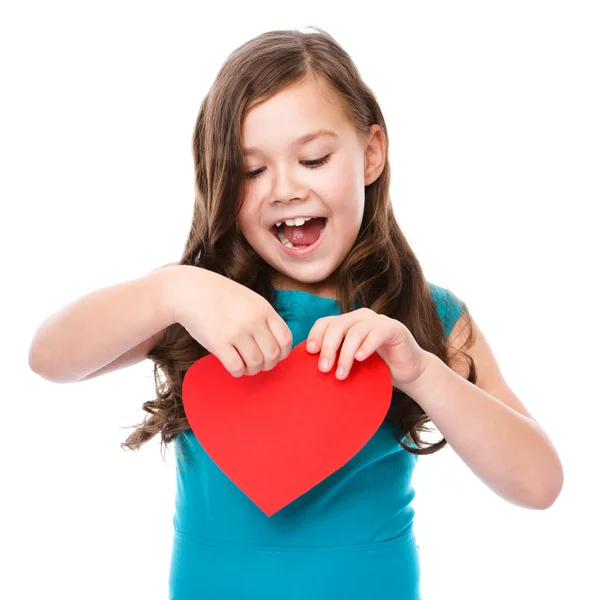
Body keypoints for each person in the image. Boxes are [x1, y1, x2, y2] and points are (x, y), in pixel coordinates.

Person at [28, 26, 563, 600]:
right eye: (251, 171)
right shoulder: (199, 304)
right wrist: (170, 290)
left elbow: (538, 484)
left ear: (371, 154)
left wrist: (423, 373)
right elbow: (48, 358)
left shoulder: (424, 316)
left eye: (312, 158)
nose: (284, 188)